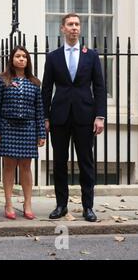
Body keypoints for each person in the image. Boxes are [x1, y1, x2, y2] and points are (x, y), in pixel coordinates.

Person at [42, 13, 106, 222]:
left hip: (85, 116)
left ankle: (88, 207)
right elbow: (46, 89)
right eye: (70, 24)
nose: (74, 28)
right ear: (62, 29)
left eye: (77, 24)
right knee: (59, 163)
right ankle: (61, 205)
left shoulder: (91, 56)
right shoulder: (53, 57)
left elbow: (99, 87)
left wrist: (100, 116)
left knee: (86, 162)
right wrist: (45, 117)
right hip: (59, 116)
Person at [0, 46, 46, 220]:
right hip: (8, 128)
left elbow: (39, 110)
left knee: (25, 167)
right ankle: (8, 203)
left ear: (28, 61)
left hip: (28, 129)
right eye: (18, 56)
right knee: (8, 167)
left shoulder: (35, 82)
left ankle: (27, 203)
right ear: (12, 59)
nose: (21, 59)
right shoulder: (2, 80)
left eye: (24, 57)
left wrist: (41, 134)